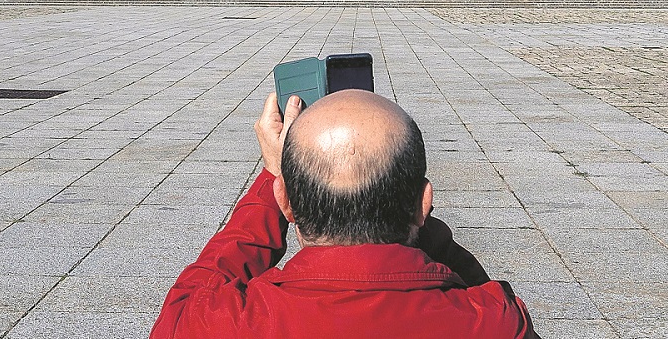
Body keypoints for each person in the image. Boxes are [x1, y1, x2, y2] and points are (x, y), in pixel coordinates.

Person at [151, 90, 538, 339]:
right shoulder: (496, 323)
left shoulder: (216, 325)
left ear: (286, 203)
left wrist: (271, 180)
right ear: (424, 203)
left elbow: (195, 291)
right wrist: (412, 217)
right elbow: (471, 289)